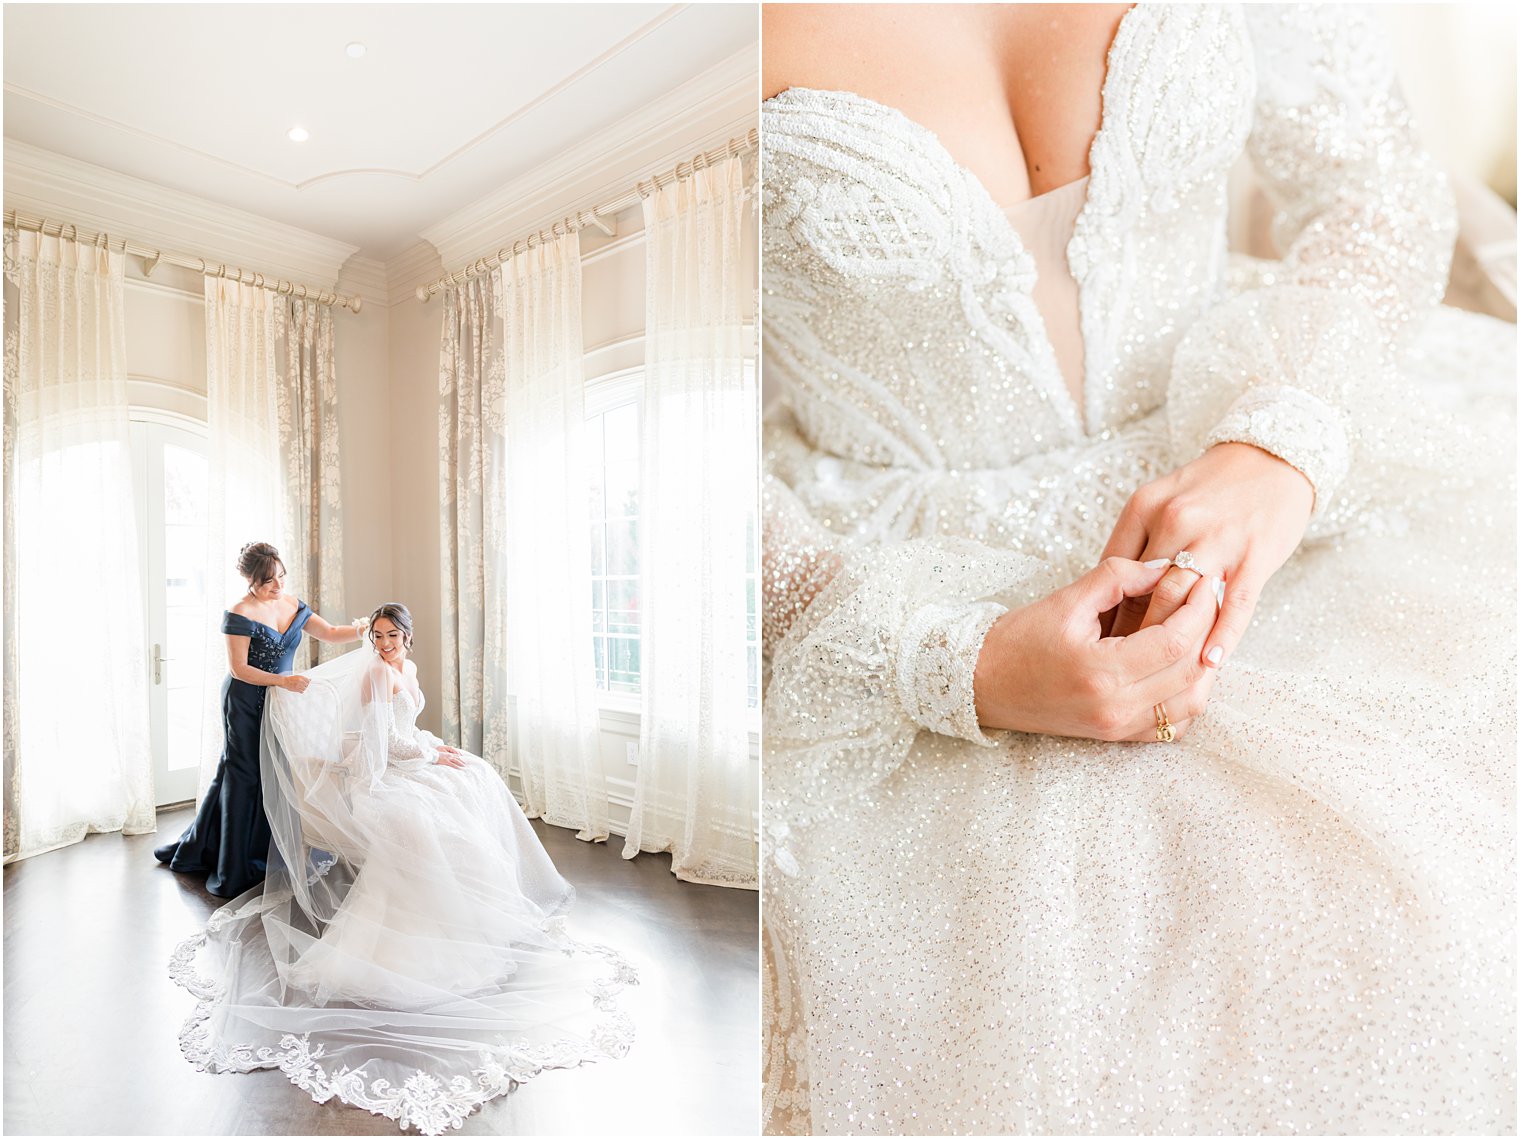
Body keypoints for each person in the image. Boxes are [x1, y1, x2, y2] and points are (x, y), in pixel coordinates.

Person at [760, 3, 1514, 1133]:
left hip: (1276, 457)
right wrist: (943, 659)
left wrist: (1279, 440)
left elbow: (1373, 188)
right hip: (875, 570)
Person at [168, 603, 635, 1135]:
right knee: (424, 820)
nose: (383, 643)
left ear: (408, 638)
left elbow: (407, 727)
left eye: (392, 636)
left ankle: (472, 913)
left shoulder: (406, 670)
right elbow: (377, 742)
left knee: (478, 780)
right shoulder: (371, 674)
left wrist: (436, 750)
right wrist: (431, 757)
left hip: (405, 756)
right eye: (376, 635)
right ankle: (427, 924)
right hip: (371, 771)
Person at [154, 541, 362, 897]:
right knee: (244, 773)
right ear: (249, 579)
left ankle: (211, 846)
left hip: (281, 701)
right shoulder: (240, 612)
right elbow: (238, 669)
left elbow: (328, 632)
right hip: (247, 700)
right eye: (268, 581)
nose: (277, 586)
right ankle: (233, 864)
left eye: (281, 577)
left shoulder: (291, 603)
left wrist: (363, 631)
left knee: (270, 771)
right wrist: (284, 680)